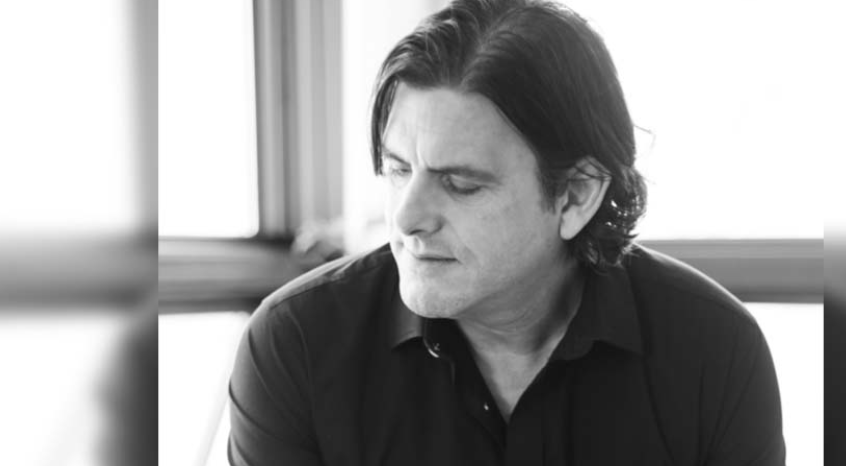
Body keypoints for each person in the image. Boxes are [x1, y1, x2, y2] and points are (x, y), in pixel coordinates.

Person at [228, 0, 785, 464]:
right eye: (399, 170)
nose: (406, 218)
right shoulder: (296, 347)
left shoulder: (714, 353)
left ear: (576, 196)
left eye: (460, 184)